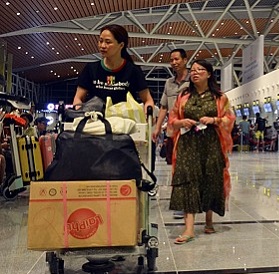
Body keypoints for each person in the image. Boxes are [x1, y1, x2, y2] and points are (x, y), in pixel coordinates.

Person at [168, 59, 235, 244]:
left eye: (200, 70)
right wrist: (181, 122)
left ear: (209, 74)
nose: (195, 72)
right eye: (193, 70)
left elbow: (229, 118)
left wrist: (214, 120)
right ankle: (189, 229)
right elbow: (172, 117)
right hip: (187, 144)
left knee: (210, 179)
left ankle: (208, 220)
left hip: (211, 143)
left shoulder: (220, 97)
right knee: (187, 181)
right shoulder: (183, 96)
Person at [72, 24, 154, 112]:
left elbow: (147, 100)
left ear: (121, 45)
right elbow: (78, 98)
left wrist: (148, 111)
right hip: (96, 121)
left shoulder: (133, 70)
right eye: (100, 41)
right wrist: (79, 111)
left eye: (108, 42)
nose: (102, 45)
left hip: (125, 122)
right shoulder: (91, 69)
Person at [152, 48, 190, 219]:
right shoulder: (169, 83)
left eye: (177, 59)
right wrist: (157, 127)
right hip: (173, 132)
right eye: (171, 60)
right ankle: (181, 201)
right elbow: (164, 107)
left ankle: (187, 201)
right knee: (176, 167)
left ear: (185, 60)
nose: (174, 62)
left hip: (191, 132)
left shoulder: (193, 79)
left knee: (188, 166)